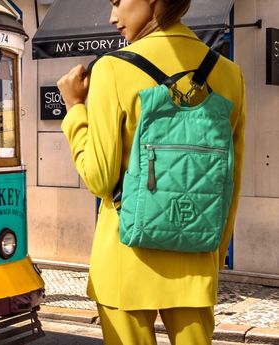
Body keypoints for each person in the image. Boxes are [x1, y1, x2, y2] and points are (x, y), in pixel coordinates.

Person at [57, 1, 245, 344]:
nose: (113, 16)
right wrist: (212, 257)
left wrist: (74, 110)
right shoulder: (230, 75)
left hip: (125, 259)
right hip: (195, 260)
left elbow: (98, 178)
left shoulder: (113, 69)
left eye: (117, 1)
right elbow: (230, 185)